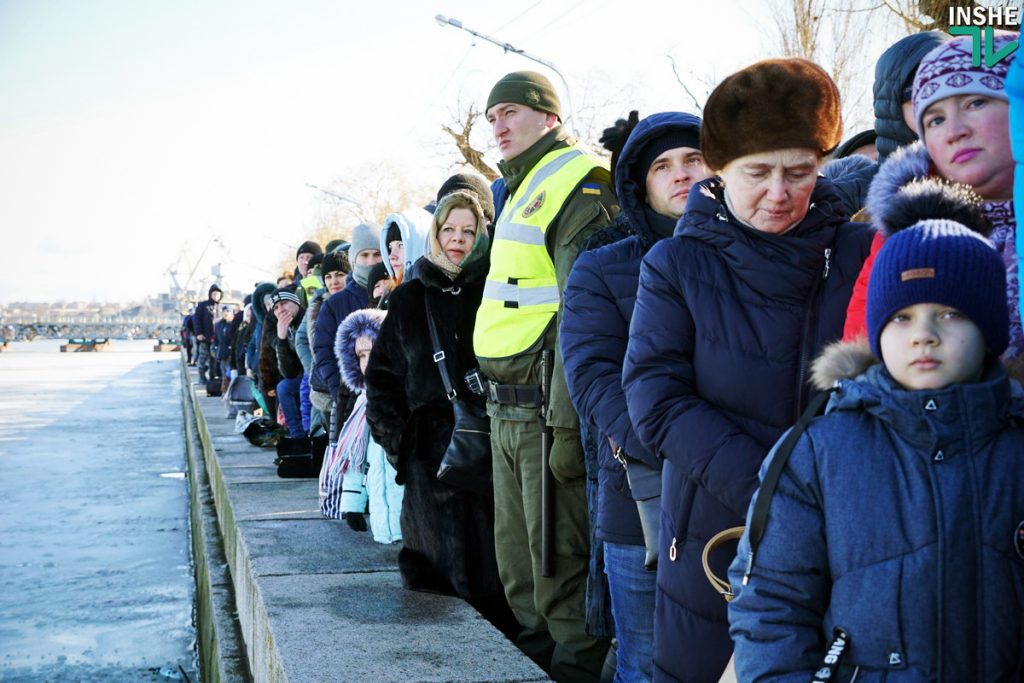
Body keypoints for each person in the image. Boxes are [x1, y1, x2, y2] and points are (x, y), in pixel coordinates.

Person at [621, 58, 872, 682]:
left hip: (850, 533)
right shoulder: (675, 264)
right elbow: (656, 398)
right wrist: (774, 491)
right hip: (718, 533)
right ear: (720, 169)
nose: (780, 193)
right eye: (757, 173)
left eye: (800, 172)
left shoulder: (862, 253)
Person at [728, 217, 1024, 681]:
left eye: (949, 313)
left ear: (988, 328)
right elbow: (771, 605)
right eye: (902, 317)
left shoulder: (1015, 442)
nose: (923, 335)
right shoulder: (819, 451)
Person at [474, 70, 619, 682]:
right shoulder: (517, 188)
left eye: (510, 112)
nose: (498, 127)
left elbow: (582, 320)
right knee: (520, 577)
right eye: (491, 118)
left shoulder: (579, 181)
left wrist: (566, 427)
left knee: (559, 574)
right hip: (506, 411)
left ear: (549, 116)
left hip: (542, 413)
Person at [562, 111, 710, 683]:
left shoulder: (746, 252)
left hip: (741, 491)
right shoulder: (602, 267)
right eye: (661, 166)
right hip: (640, 495)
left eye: (692, 159)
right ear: (640, 183)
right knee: (645, 662)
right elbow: (592, 377)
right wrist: (679, 447)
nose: (679, 175)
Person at [365, 189, 516, 635]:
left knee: (498, 595)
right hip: (429, 468)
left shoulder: (495, 290)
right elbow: (381, 381)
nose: (458, 239)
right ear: (434, 233)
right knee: (437, 611)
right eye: (449, 229)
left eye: (468, 231)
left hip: (492, 456)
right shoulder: (409, 297)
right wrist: (403, 447)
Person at [844, 31, 1021, 360]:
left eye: (976, 102)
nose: (955, 131)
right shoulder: (907, 227)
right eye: (935, 119)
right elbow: (865, 353)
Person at [320, 307, 403, 544]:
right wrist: (352, 505)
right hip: (382, 515)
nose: (367, 362)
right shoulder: (362, 403)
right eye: (361, 356)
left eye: (373, 352)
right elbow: (356, 462)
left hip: (413, 514)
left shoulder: (407, 396)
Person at [270, 286, 307, 438]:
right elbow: (288, 373)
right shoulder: (286, 328)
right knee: (284, 387)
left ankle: (301, 436)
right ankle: (297, 437)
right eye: (276, 308)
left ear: (296, 303)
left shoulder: (308, 319)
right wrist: (282, 339)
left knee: (285, 388)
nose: (280, 310)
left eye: (284, 303)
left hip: (317, 376)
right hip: (303, 379)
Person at [380, 209, 432, 286]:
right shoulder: (388, 293)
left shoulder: (438, 293)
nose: (391, 256)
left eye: (401, 245)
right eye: (390, 248)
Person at [193, 284, 223, 384]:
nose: (216, 296)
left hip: (216, 339)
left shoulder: (221, 307)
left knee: (214, 359)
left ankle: (212, 378)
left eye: (218, 294)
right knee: (203, 358)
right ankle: (202, 377)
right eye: (214, 294)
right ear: (210, 294)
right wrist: (199, 333)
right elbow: (196, 320)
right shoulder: (203, 305)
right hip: (205, 337)